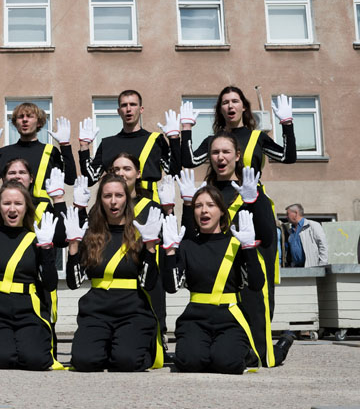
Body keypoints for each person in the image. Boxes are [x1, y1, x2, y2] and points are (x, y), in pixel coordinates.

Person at [177, 131, 290, 368]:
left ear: (237, 155)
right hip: (215, 273)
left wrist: (254, 201)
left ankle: (282, 346)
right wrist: (188, 205)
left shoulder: (249, 187)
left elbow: (268, 237)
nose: (220, 157)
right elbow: (190, 238)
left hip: (245, 270)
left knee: (260, 354)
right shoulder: (205, 192)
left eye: (226, 152)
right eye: (215, 152)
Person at [163, 188, 270, 374]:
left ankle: (255, 351)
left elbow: (256, 284)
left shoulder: (237, 243)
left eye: (210, 205)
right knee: (189, 362)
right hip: (195, 317)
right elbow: (171, 287)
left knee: (227, 364)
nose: (204, 210)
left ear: (221, 211)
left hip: (230, 318)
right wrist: (170, 252)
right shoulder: (187, 245)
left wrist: (249, 249)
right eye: (198, 206)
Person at [65, 174, 163, 372]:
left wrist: (150, 246)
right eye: (107, 196)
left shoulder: (140, 232)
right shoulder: (91, 233)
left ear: (126, 199)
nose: (113, 201)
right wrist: (73, 246)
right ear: (100, 200)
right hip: (96, 311)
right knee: (84, 361)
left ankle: (137, 344)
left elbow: (148, 283)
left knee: (126, 362)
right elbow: (74, 283)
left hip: (132, 310)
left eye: (119, 195)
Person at [0, 181, 62, 370]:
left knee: (36, 360)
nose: (12, 209)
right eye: (6, 203)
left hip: (27, 308)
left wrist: (46, 249)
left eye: (18, 203)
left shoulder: (36, 236)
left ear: (26, 207)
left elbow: (50, 283)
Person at [109, 152, 175, 342]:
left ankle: (159, 337)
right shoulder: (103, 207)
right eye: (116, 169)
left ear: (138, 173)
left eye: (126, 169)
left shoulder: (152, 207)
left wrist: (169, 210)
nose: (121, 173)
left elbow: (169, 238)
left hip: (149, 279)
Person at [79, 90, 181, 203]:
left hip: (149, 207)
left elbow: (175, 173)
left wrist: (174, 139)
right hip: (115, 207)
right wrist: (84, 146)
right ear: (119, 111)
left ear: (141, 109)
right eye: (124, 105)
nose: (128, 109)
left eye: (133, 104)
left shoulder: (156, 140)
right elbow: (89, 179)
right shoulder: (107, 144)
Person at [180, 86, 296, 172]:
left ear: (244, 107)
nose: (230, 106)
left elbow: (288, 157)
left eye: (235, 101)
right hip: (222, 200)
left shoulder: (257, 137)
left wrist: (287, 124)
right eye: (225, 102)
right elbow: (189, 162)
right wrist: (186, 128)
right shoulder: (213, 140)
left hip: (252, 201)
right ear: (220, 109)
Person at [0, 102, 76, 199]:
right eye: (20, 117)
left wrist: (65, 146)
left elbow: (70, 179)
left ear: (39, 122)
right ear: (15, 123)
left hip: (43, 212)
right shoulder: (5, 152)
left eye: (29, 116)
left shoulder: (50, 151)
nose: (25, 120)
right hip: (11, 209)